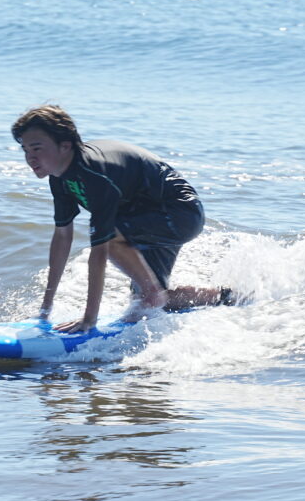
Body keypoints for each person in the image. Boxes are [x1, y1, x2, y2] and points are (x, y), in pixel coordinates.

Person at [13, 104, 236, 333]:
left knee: (111, 240)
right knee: (145, 306)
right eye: (25, 150)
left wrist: (89, 319)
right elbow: (62, 237)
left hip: (180, 212)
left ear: (65, 145)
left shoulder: (95, 174)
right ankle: (227, 297)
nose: (30, 158)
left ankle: (152, 294)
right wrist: (45, 309)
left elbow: (101, 250)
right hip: (145, 216)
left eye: (37, 148)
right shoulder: (59, 177)